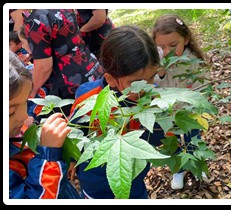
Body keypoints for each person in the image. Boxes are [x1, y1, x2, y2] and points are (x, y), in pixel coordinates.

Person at [68, 25, 163, 199]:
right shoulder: (89, 99)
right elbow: (75, 136)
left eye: (152, 77)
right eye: (135, 83)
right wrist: (72, 160)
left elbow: (156, 139)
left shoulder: (154, 98)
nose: (146, 87)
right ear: (111, 79)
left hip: (134, 183)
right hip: (96, 187)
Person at [9, 50, 81, 199]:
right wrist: (48, 156)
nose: (24, 116)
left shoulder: (15, 129)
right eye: (10, 112)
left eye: (25, 103)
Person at [152, 14, 209, 190]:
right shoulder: (156, 61)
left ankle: (196, 164)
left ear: (186, 39)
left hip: (191, 112)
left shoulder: (194, 61)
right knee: (171, 142)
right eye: (161, 46)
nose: (167, 51)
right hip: (167, 114)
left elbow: (203, 85)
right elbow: (152, 86)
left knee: (194, 139)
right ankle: (179, 168)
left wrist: (197, 108)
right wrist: (160, 73)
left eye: (173, 45)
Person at [22, 9, 104, 116]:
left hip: (69, 83)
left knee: (77, 124)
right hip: (91, 67)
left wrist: (31, 91)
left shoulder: (35, 21)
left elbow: (44, 67)